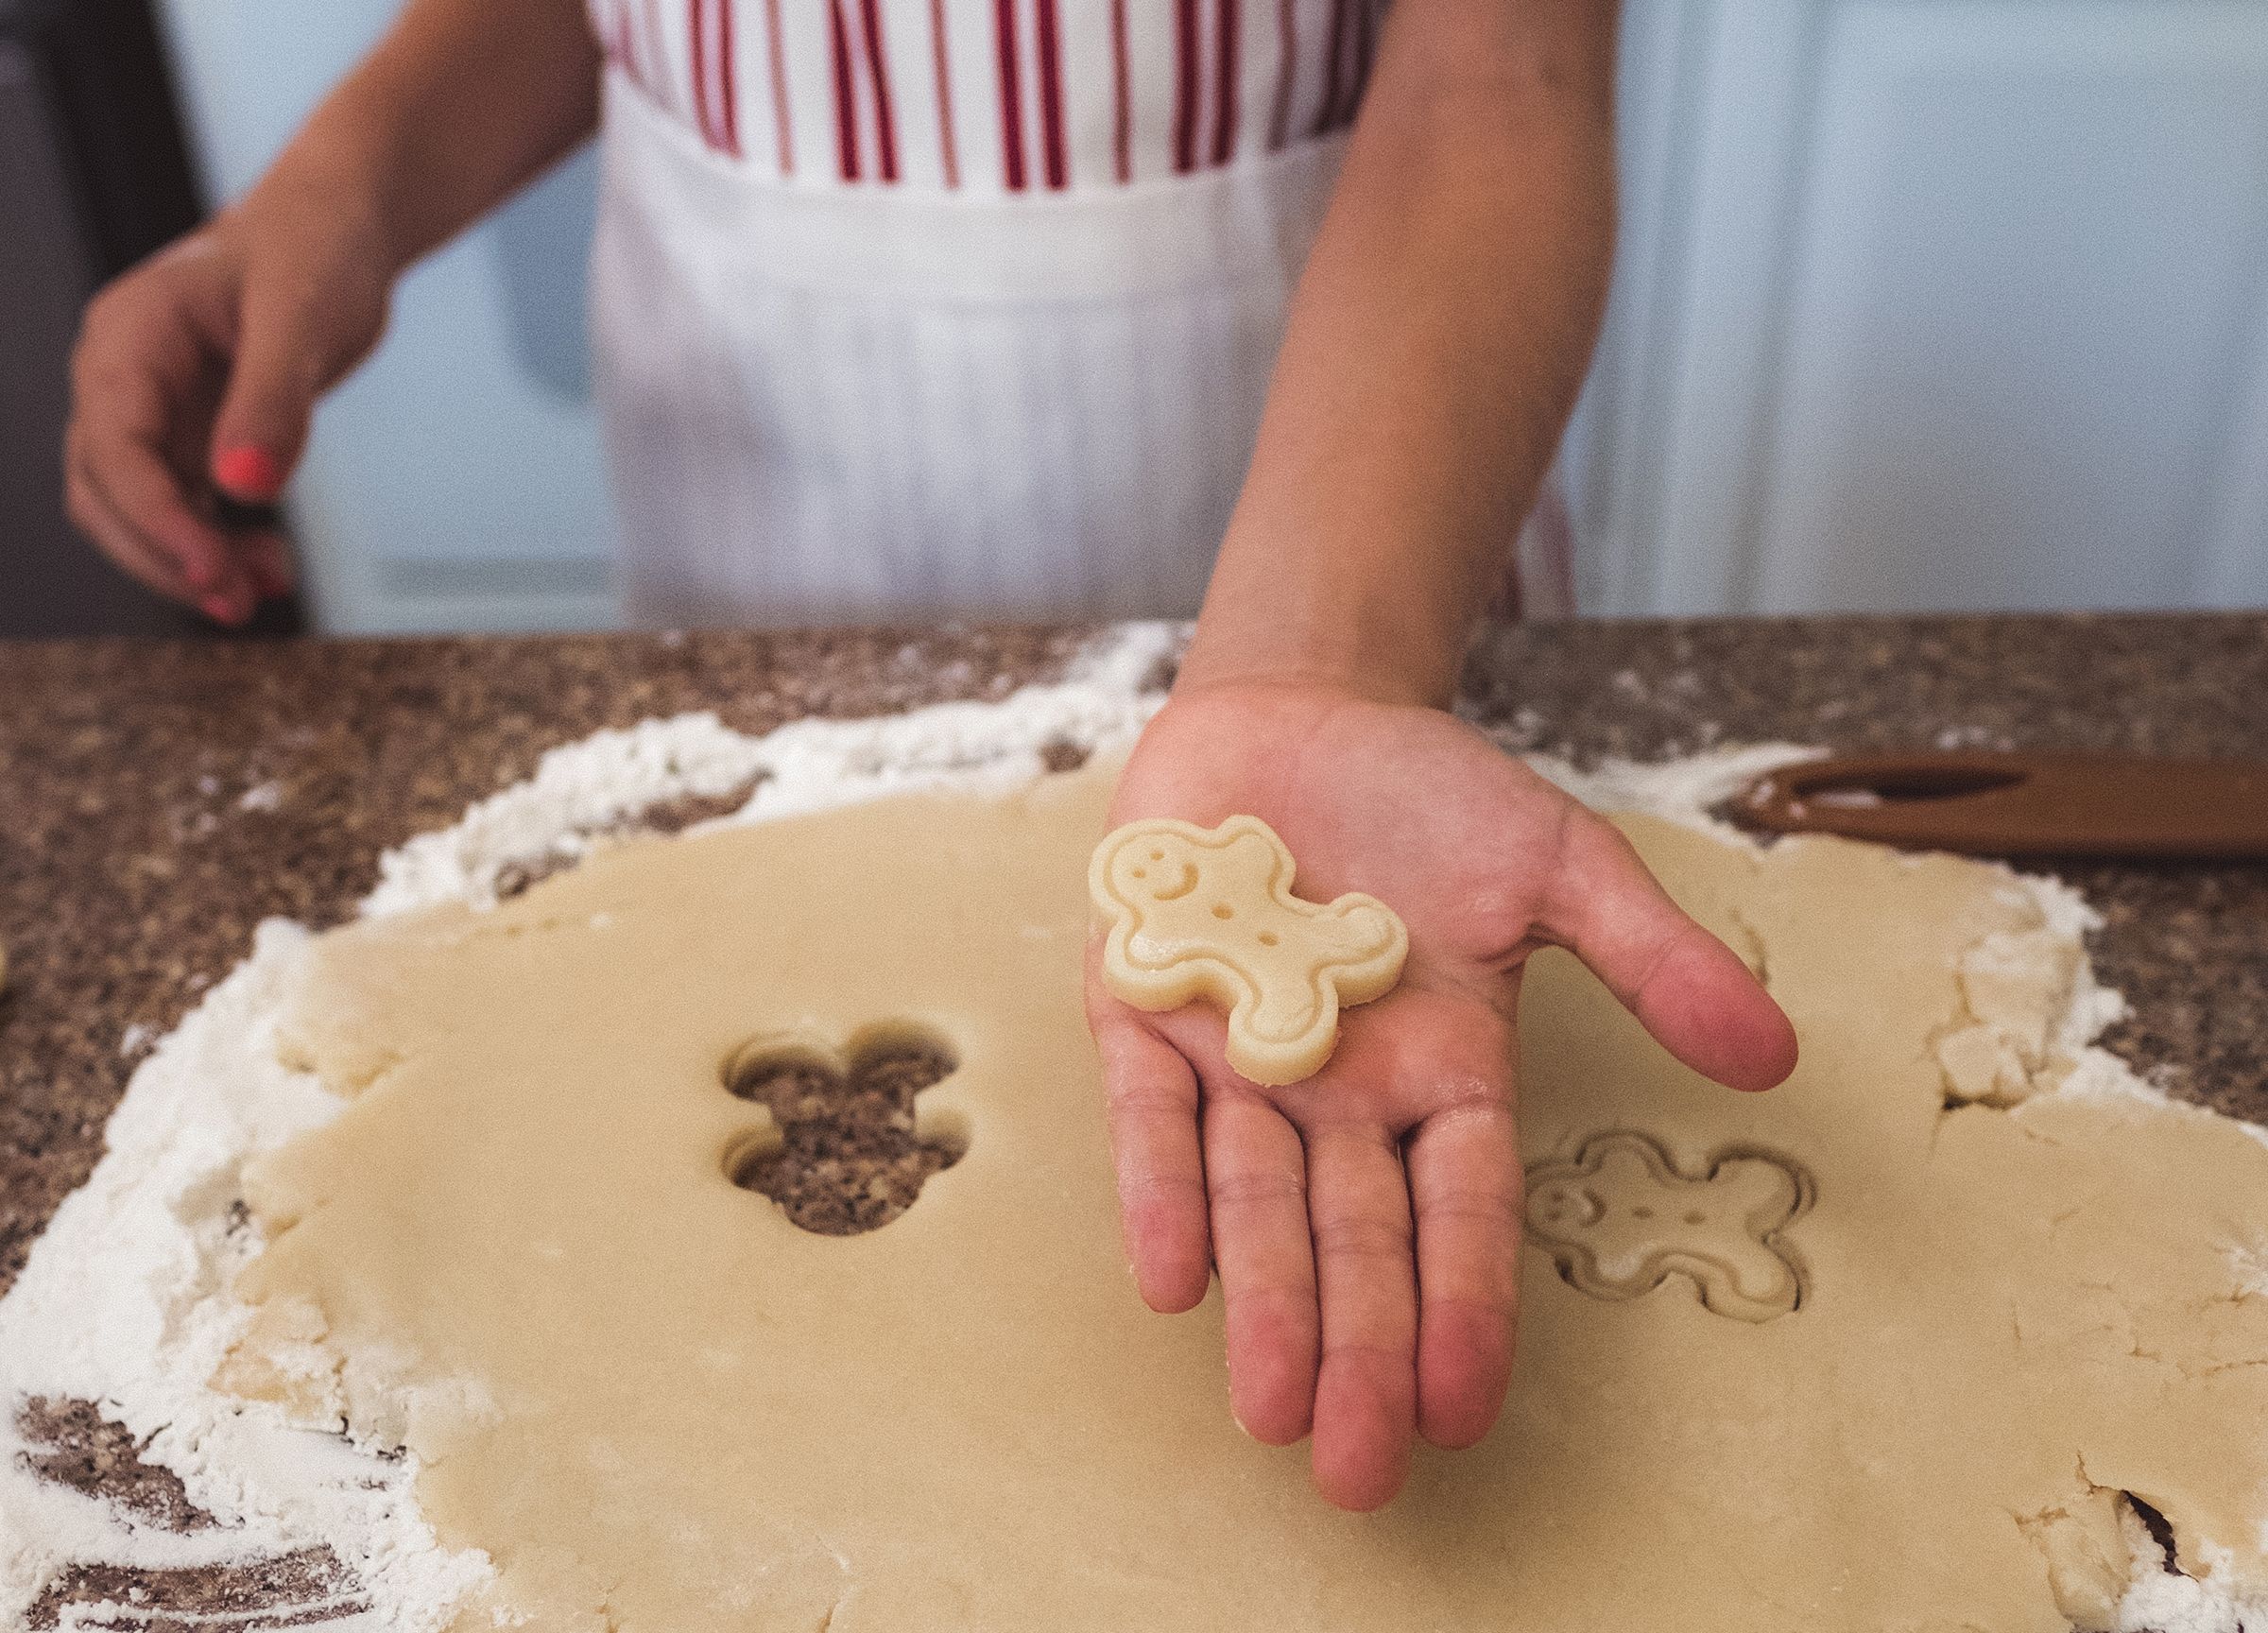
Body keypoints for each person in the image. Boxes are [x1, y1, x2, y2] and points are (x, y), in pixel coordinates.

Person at [64, 0, 1797, 1513]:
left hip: (1344, 530)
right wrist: (339, 192)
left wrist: (1319, 665)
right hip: (759, 524)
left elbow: (1503, 69)